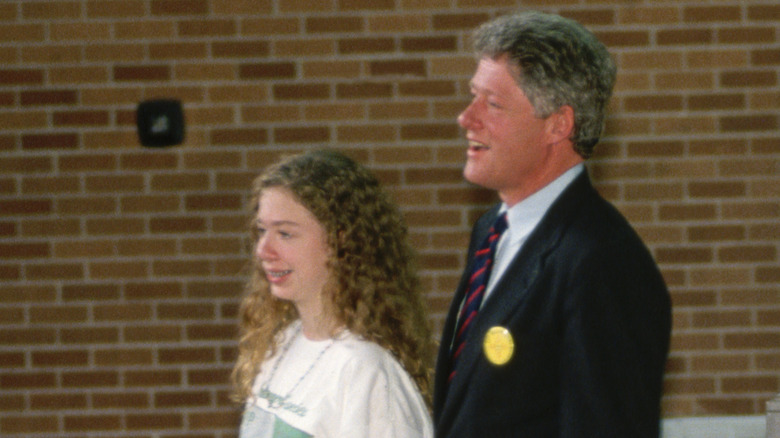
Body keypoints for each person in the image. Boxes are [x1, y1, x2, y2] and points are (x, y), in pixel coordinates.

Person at [433, 11, 672, 438]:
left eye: (492, 103)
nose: (466, 118)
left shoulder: (602, 263)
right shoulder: (492, 230)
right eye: (473, 96)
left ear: (557, 125)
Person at [232, 149, 434, 437]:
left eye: (285, 233)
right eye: (262, 230)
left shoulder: (366, 371)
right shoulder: (281, 343)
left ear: (341, 241)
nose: (263, 250)